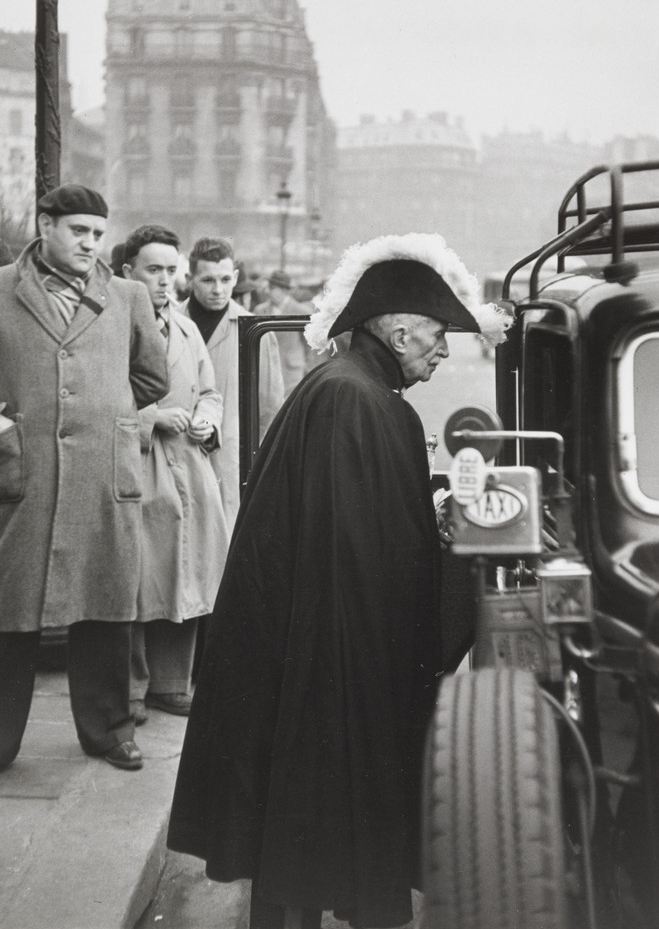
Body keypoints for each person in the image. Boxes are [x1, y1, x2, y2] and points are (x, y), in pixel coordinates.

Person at [167, 232, 511, 928]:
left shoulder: (349, 387)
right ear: (399, 327)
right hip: (335, 657)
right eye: (438, 335)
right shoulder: (359, 400)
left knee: (298, 838)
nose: (443, 351)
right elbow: (363, 550)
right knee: (322, 818)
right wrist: (447, 551)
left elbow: (364, 526)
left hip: (314, 643)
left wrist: (429, 516)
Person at [0, 184, 168, 791]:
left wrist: (104, 414)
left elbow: (150, 376)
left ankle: (111, 730)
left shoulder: (127, 295)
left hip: (100, 473)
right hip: (20, 471)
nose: (91, 243)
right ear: (45, 225)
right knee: (5, 609)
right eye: (78, 231)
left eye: (98, 233)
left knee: (107, 604)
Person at [121, 225, 229, 722]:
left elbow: (209, 389)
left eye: (171, 270)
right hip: (139, 465)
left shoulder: (184, 328)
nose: (165, 281)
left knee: (189, 570)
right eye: (153, 270)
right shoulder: (113, 325)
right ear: (128, 273)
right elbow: (98, 399)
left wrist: (209, 418)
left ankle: (171, 682)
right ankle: (132, 689)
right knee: (141, 578)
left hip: (189, 461)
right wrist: (150, 418)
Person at [181, 237, 284, 531]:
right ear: (190, 280)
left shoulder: (255, 330)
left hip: (232, 463)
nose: (218, 289)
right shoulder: (168, 323)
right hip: (178, 455)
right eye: (208, 280)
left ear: (236, 278)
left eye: (225, 279)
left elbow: (270, 409)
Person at [254, 269, 312, 395]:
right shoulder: (260, 310)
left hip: (292, 372)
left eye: (272, 288)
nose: (268, 291)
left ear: (284, 290)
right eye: (269, 287)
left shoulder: (301, 311)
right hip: (267, 370)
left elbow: (309, 344)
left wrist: (305, 364)